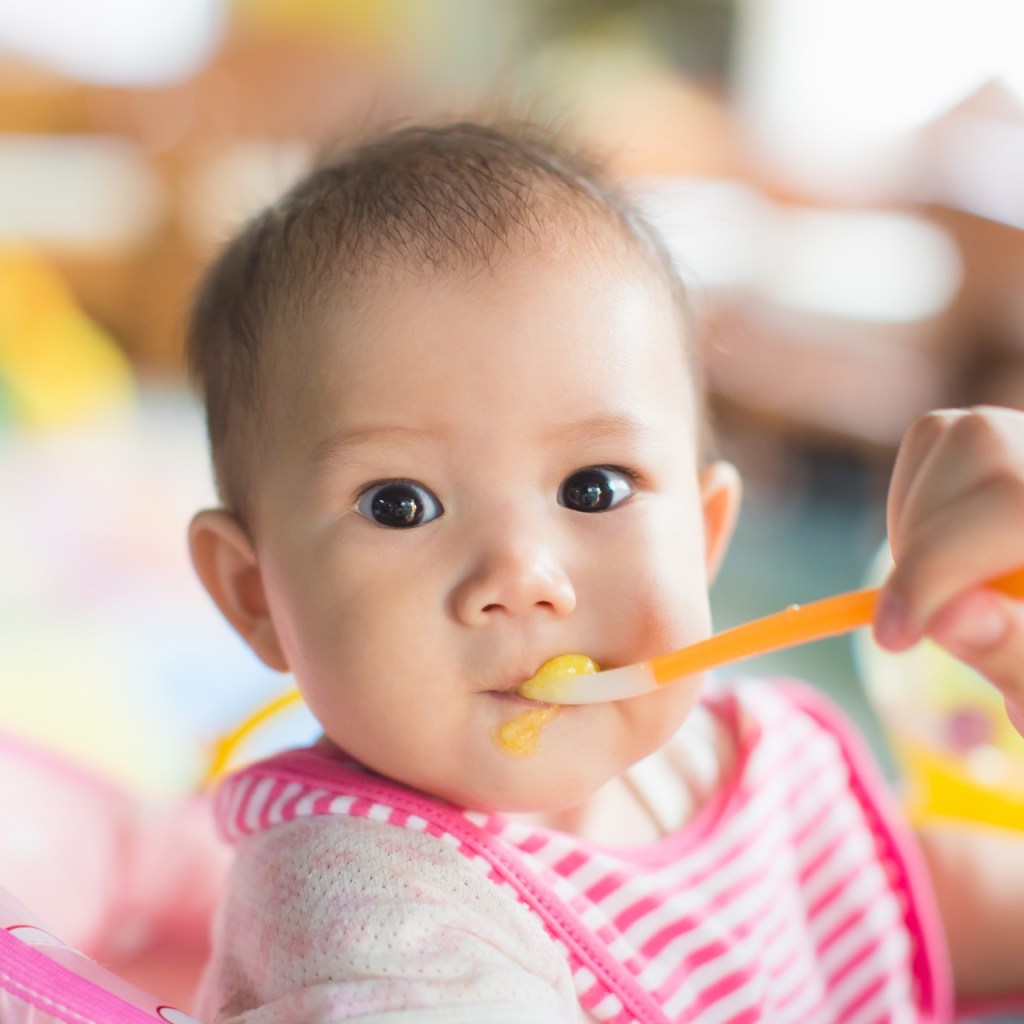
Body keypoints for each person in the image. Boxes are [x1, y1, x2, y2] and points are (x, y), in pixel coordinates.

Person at [185, 119, 1024, 1022]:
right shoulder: (365, 904)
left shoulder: (765, 767)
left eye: (594, 487)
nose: (522, 576)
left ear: (704, 538)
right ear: (253, 592)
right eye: (399, 504)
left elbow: (917, 907)